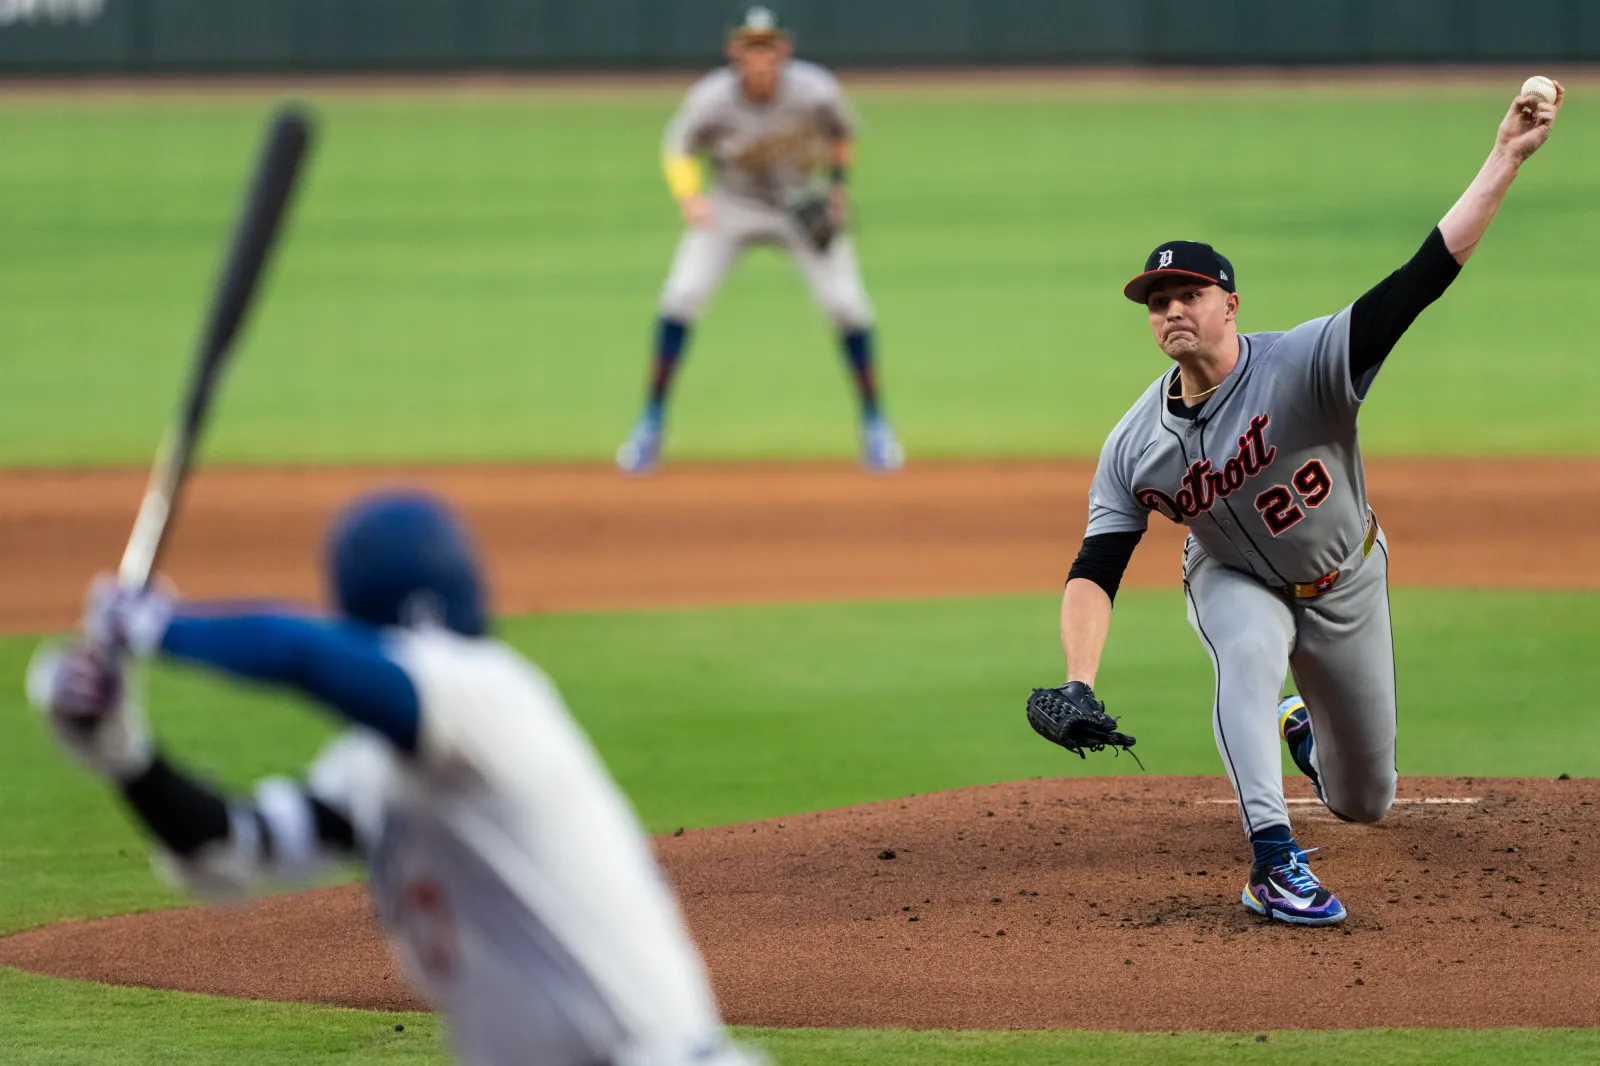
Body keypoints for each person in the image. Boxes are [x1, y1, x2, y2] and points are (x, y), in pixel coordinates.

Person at [1049, 83, 1562, 925]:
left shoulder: (1307, 362)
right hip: (1231, 576)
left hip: (1346, 579)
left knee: (1366, 801)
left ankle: (1307, 738)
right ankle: (1272, 861)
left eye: (1188, 294)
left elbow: (1423, 277)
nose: (1172, 309)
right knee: (1246, 647)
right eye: (1157, 301)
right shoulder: (1132, 443)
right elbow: (1096, 565)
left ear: (1230, 305)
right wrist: (1076, 679)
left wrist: (1505, 155)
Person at [28, 491, 761, 1066]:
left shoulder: (492, 694)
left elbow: (302, 654)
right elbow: (225, 848)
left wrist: (161, 629)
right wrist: (125, 757)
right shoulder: (371, 772)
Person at [616, 5, 903, 474]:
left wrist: (839, 187)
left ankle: (875, 425)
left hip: (800, 205)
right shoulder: (711, 98)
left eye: (766, 47)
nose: (759, 56)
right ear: (735, 52)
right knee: (681, 296)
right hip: (732, 206)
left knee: (847, 306)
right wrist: (689, 195)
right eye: (750, 47)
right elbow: (678, 146)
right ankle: (650, 424)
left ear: (783, 50)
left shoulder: (815, 89)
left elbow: (842, 133)